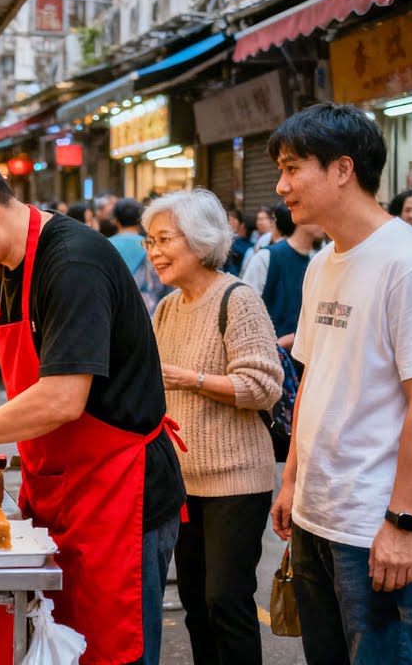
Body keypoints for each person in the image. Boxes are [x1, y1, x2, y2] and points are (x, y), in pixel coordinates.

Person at [0, 147, 187, 665]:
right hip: (58, 486)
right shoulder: (5, 263)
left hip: (118, 493)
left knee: (112, 650)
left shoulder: (72, 262)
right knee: (60, 640)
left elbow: (63, 397)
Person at [268, 104, 412, 665]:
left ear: (343, 169)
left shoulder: (411, 264)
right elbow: (312, 377)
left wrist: (402, 523)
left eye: (292, 167)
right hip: (316, 512)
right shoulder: (323, 262)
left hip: (378, 521)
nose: (281, 186)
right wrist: (292, 483)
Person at [145, 190, 283, 665]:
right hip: (182, 482)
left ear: (201, 241)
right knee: (198, 606)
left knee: (227, 601)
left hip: (236, 478)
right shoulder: (166, 308)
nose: (154, 251)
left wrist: (192, 380)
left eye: (164, 239)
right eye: (149, 241)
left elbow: (264, 385)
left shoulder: (238, 299)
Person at [240, 203, 323, 349]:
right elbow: (243, 313)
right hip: (269, 356)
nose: (325, 220)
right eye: (321, 212)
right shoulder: (266, 257)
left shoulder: (320, 260)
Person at [109, 197, 169, 315]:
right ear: (140, 220)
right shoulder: (152, 246)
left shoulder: (105, 245)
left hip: (115, 313)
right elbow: (160, 287)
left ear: (115, 220)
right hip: (149, 312)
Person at [223, 209, 252, 276]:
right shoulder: (222, 241)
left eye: (233, 220)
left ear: (241, 224)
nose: (230, 223)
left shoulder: (247, 245)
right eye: (228, 220)